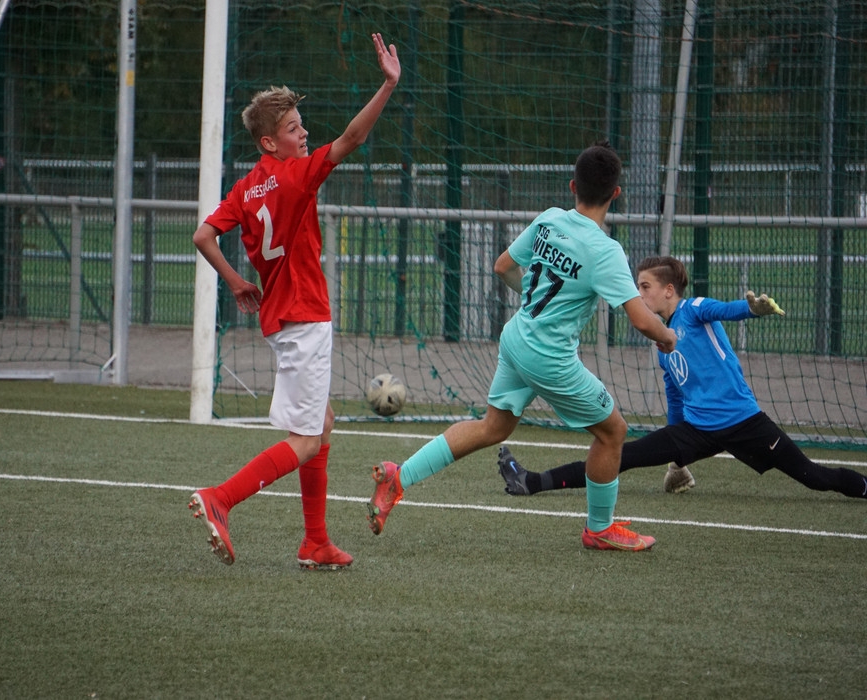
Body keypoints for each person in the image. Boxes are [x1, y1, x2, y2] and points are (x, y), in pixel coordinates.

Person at [367, 141, 677, 551]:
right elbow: (640, 319)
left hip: (517, 337)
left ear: (573, 186)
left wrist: (535, 307)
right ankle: (599, 529)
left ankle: (399, 476)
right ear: (616, 193)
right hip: (549, 356)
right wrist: (668, 336)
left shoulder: (549, 219)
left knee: (493, 427)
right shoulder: (605, 251)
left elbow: (503, 266)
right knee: (613, 432)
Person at [189, 33, 401, 569]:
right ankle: (221, 498)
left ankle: (315, 542)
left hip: (279, 319)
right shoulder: (297, 176)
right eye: (292, 128)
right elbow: (352, 137)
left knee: (321, 424)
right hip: (304, 316)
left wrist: (236, 282)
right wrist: (387, 85)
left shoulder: (246, 188)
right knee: (306, 440)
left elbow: (202, 236)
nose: (303, 133)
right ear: (269, 142)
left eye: (301, 125)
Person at [498, 255, 867, 501]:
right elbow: (675, 397)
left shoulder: (694, 309)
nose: (638, 293)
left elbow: (725, 310)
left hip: (745, 423)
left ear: (668, 291)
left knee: (814, 477)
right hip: (697, 430)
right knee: (620, 455)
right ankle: (532, 482)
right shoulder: (663, 342)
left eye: (644, 287)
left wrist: (751, 310)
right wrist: (677, 458)